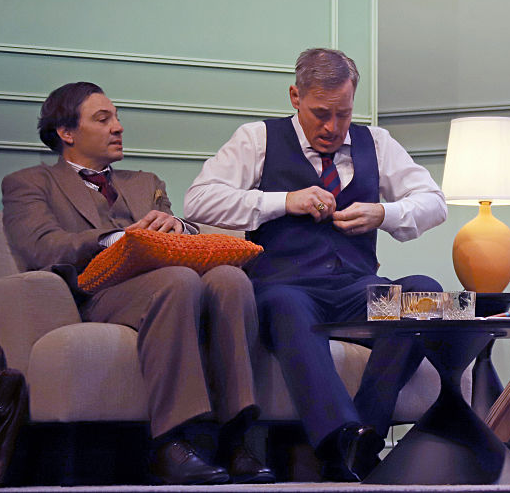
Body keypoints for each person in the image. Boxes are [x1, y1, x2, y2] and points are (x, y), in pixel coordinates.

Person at [184, 47, 447, 481]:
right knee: (289, 305)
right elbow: (200, 200)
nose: (332, 128)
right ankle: (335, 441)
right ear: (295, 96)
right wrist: (282, 202)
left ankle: (366, 434)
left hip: (355, 292)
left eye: (343, 114)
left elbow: (434, 203)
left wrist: (383, 214)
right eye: (321, 114)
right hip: (284, 288)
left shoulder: (376, 142)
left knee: (429, 294)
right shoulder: (257, 139)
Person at [1, 82, 273, 485]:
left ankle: (236, 439)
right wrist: (122, 238)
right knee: (178, 280)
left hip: (169, 280)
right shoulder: (29, 183)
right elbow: (41, 248)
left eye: (117, 117)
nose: (118, 127)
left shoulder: (145, 181)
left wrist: (176, 226)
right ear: (66, 132)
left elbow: (182, 233)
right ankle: (171, 442)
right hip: (97, 293)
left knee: (230, 279)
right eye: (103, 118)